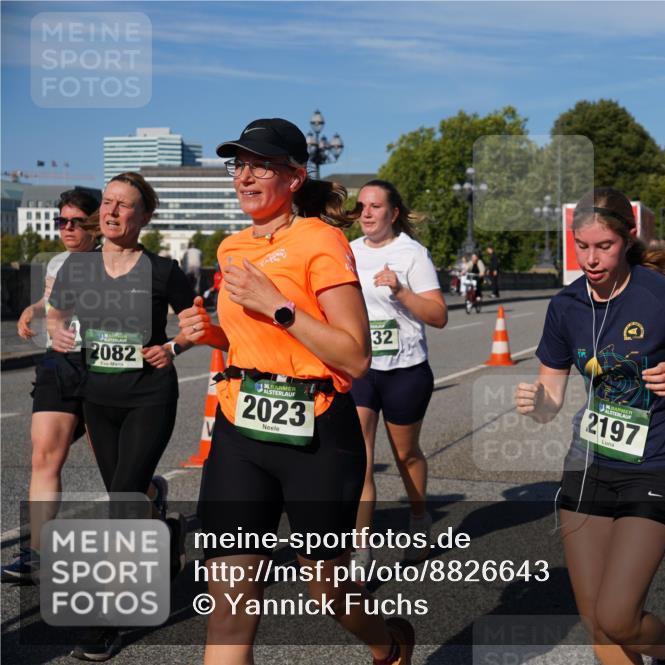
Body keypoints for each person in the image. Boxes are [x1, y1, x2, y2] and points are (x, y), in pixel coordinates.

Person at [177, 118, 414, 665]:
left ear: (294, 177)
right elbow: (251, 340)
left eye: (261, 165)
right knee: (230, 602)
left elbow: (354, 355)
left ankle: (387, 642)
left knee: (327, 594)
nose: (245, 176)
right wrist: (208, 333)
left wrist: (277, 305)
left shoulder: (321, 240)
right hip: (241, 431)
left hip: (318, 436)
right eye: (239, 165)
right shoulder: (231, 246)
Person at [516, 187, 665, 665]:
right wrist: (536, 403)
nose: (591, 259)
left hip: (651, 467)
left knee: (618, 617)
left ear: (627, 239)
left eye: (604, 247)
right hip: (587, 465)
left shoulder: (663, 297)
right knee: (597, 623)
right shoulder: (565, 306)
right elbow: (551, 397)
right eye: (582, 247)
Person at [46, 173, 193, 661]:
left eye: (123, 205)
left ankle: (107, 617)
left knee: (121, 506)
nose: (110, 212)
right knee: (126, 497)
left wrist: (172, 346)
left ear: (143, 216)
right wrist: (59, 331)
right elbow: (55, 312)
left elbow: (201, 320)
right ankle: (162, 524)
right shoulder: (78, 267)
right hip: (98, 399)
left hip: (149, 397)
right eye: (107, 202)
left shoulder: (162, 270)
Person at [1, 191, 107, 582]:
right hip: (58, 365)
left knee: (110, 461)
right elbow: (52, 303)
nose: (66, 229)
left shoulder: (116, 261)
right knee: (44, 457)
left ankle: (150, 495)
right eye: (61, 222)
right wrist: (31, 310)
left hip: (102, 366)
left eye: (75, 222)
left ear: (95, 223)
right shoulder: (59, 262)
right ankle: (37, 556)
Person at [347, 179, 447, 568]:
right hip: (361, 368)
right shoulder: (347, 252)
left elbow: (438, 316)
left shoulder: (412, 254)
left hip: (405, 370)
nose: (366, 214)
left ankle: (419, 518)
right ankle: (361, 550)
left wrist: (401, 290)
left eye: (375, 207)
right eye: (361, 207)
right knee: (361, 459)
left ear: (393, 213)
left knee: (406, 455)